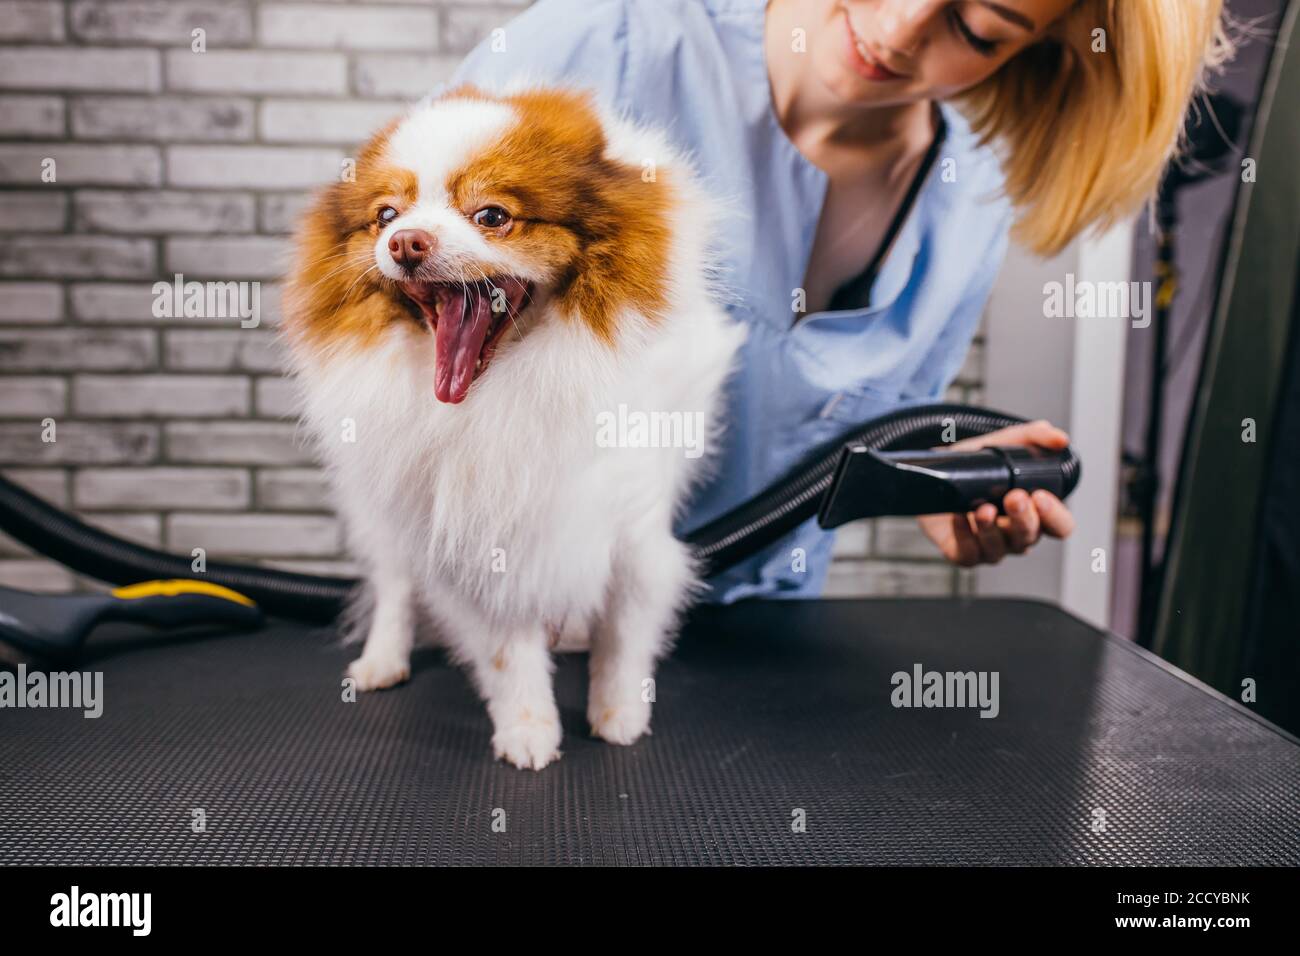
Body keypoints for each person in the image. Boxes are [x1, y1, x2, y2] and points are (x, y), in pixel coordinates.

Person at [439, 0, 1231, 600]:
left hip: (761, 661)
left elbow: (845, 445)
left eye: (979, 29)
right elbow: (396, 316)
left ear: (1045, 50)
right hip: (518, 623)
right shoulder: (606, 45)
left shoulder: (969, 208)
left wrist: (928, 478)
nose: (898, 29)